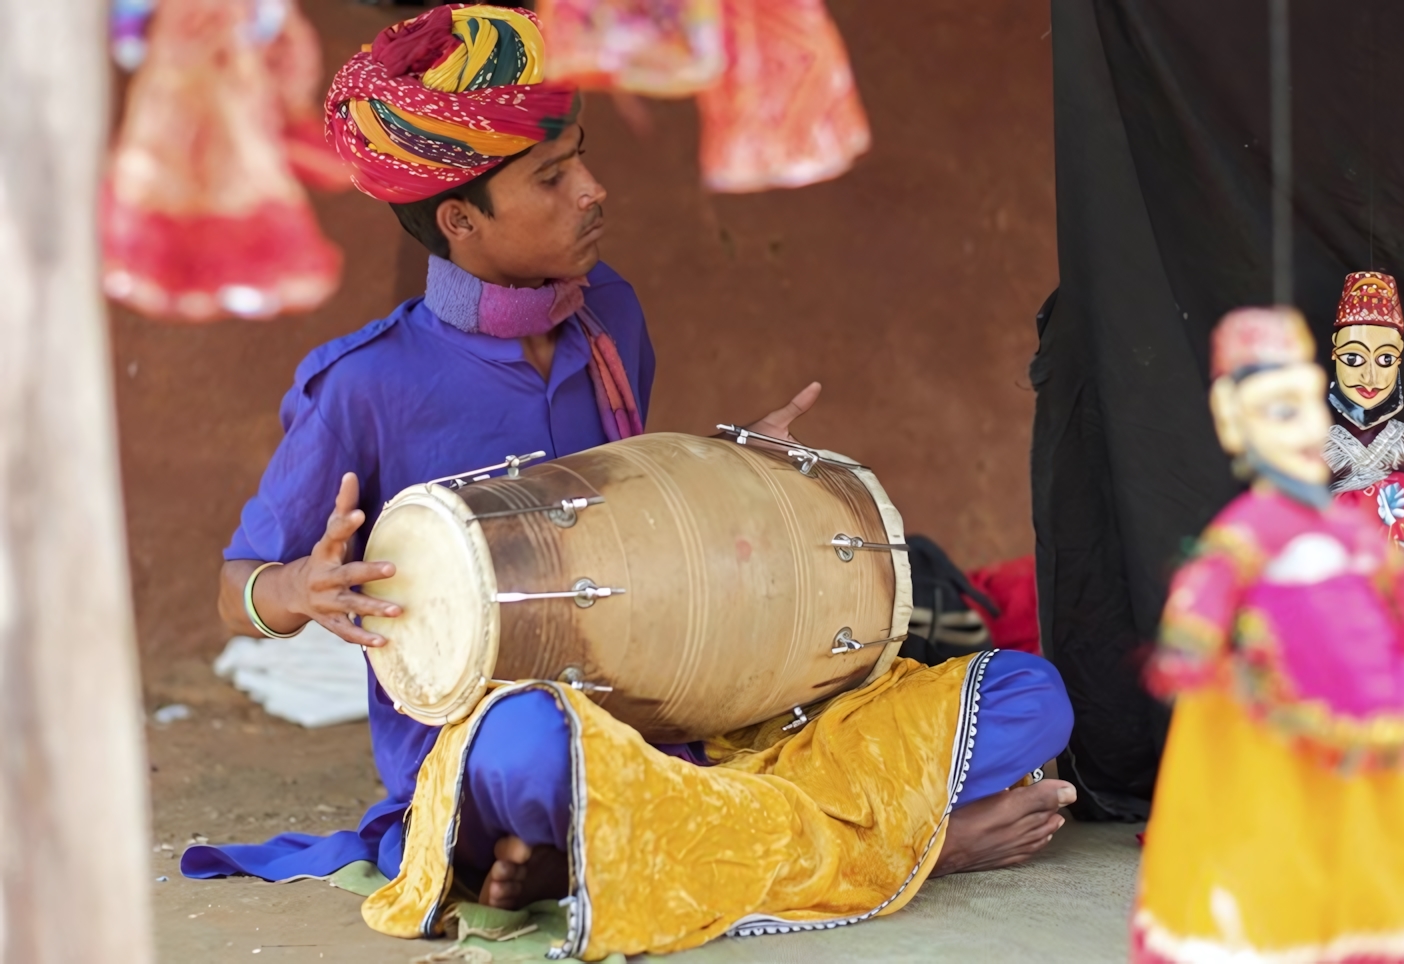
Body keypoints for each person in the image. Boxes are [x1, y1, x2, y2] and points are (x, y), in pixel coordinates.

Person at [182, 6, 1075, 957]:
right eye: (553, 177)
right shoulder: (361, 386)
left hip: (678, 714)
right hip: (496, 738)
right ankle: (900, 843)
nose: (594, 191)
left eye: (583, 158)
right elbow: (237, 591)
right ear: (459, 219)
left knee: (1028, 694)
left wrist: (746, 480)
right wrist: (296, 590)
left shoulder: (611, 317)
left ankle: (630, 843)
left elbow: (638, 530)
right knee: (534, 756)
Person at [1133, 306, 1404, 964]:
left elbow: (1396, 582)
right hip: (1278, 695)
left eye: (1304, 408)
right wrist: (1194, 642)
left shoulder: (1351, 522)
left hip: (1360, 694)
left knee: (1361, 809)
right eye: (1281, 411)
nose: (1306, 429)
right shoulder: (1255, 527)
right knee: (1277, 807)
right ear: (1232, 421)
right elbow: (1212, 581)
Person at [1322, 270, 1404, 871]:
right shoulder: (1320, 447)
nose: (1369, 374)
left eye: (1385, 357)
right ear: (1334, 358)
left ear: (1399, 363)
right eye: (1354, 356)